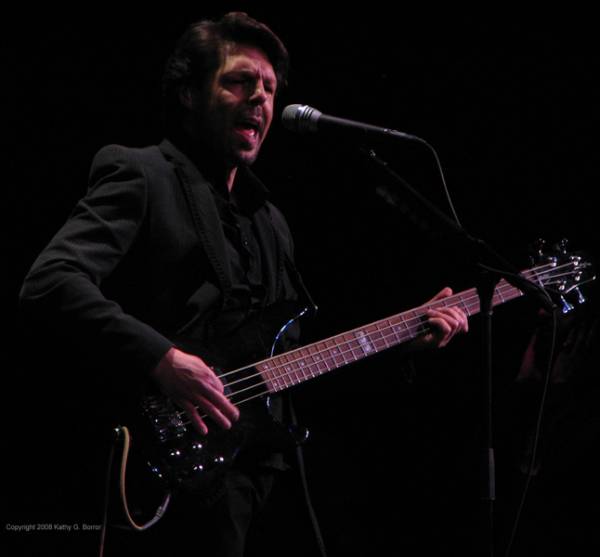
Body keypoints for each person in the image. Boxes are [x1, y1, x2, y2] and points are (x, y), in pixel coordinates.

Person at [19, 12, 468, 557]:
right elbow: (51, 280)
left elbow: (297, 362)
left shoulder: (269, 218)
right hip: (166, 467)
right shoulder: (143, 174)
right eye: (239, 81)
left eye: (270, 88)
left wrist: (403, 342)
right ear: (188, 94)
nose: (260, 97)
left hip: (266, 472)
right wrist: (162, 357)